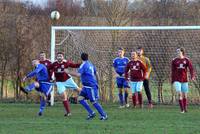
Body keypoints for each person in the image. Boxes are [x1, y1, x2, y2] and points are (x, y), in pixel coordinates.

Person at [66, 53, 108, 120]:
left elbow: (78, 75)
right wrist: (98, 82)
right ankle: (91, 113)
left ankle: (104, 115)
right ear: (88, 57)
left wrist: (68, 71)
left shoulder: (83, 65)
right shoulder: (90, 64)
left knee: (94, 101)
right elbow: (96, 73)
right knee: (80, 99)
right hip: (86, 86)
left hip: (90, 86)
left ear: (81, 58)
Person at [50, 52, 81, 117]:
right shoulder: (53, 64)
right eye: (58, 56)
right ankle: (68, 112)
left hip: (68, 80)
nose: (59, 57)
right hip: (59, 82)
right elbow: (49, 69)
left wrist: (82, 63)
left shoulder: (66, 62)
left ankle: (90, 96)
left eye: (61, 56)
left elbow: (74, 65)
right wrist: (50, 77)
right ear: (56, 57)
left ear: (63, 57)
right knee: (63, 96)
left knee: (78, 90)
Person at [171, 47, 195, 113]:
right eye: (177, 51)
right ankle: (182, 110)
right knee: (179, 93)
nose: (177, 52)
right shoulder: (174, 60)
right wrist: (172, 80)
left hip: (184, 79)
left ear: (182, 52)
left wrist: (192, 76)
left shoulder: (186, 60)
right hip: (177, 79)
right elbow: (173, 71)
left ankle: (185, 108)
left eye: (179, 51)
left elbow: (191, 68)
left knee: (185, 95)